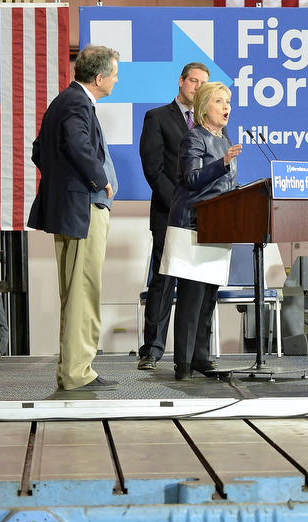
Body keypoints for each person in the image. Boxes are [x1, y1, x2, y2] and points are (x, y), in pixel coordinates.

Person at [27, 45, 119, 391]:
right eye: (114, 74)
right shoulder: (78, 103)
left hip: (69, 208)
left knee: (75, 291)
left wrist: (62, 182)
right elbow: (77, 146)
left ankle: (72, 371)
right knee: (84, 291)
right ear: (99, 78)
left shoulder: (63, 101)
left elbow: (40, 150)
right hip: (84, 209)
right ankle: (79, 373)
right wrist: (100, 180)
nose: (116, 80)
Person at [161, 82, 242, 381]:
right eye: (220, 101)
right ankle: (182, 363)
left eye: (229, 101)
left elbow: (225, 186)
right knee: (192, 298)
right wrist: (222, 163)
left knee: (209, 297)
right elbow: (193, 179)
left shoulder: (226, 140)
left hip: (218, 226)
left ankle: (201, 357)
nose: (226, 107)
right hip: (194, 226)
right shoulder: (194, 137)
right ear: (204, 105)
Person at [137, 62, 210, 371]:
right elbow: (153, 170)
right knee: (163, 282)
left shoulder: (211, 125)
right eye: (192, 81)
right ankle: (152, 351)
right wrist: (182, 203)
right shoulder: (157, 118)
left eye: (202, 83)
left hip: (204, 218)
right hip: (169, 214)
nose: (196, 87)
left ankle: (195, 355)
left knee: (200, 287)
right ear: (181, 82)